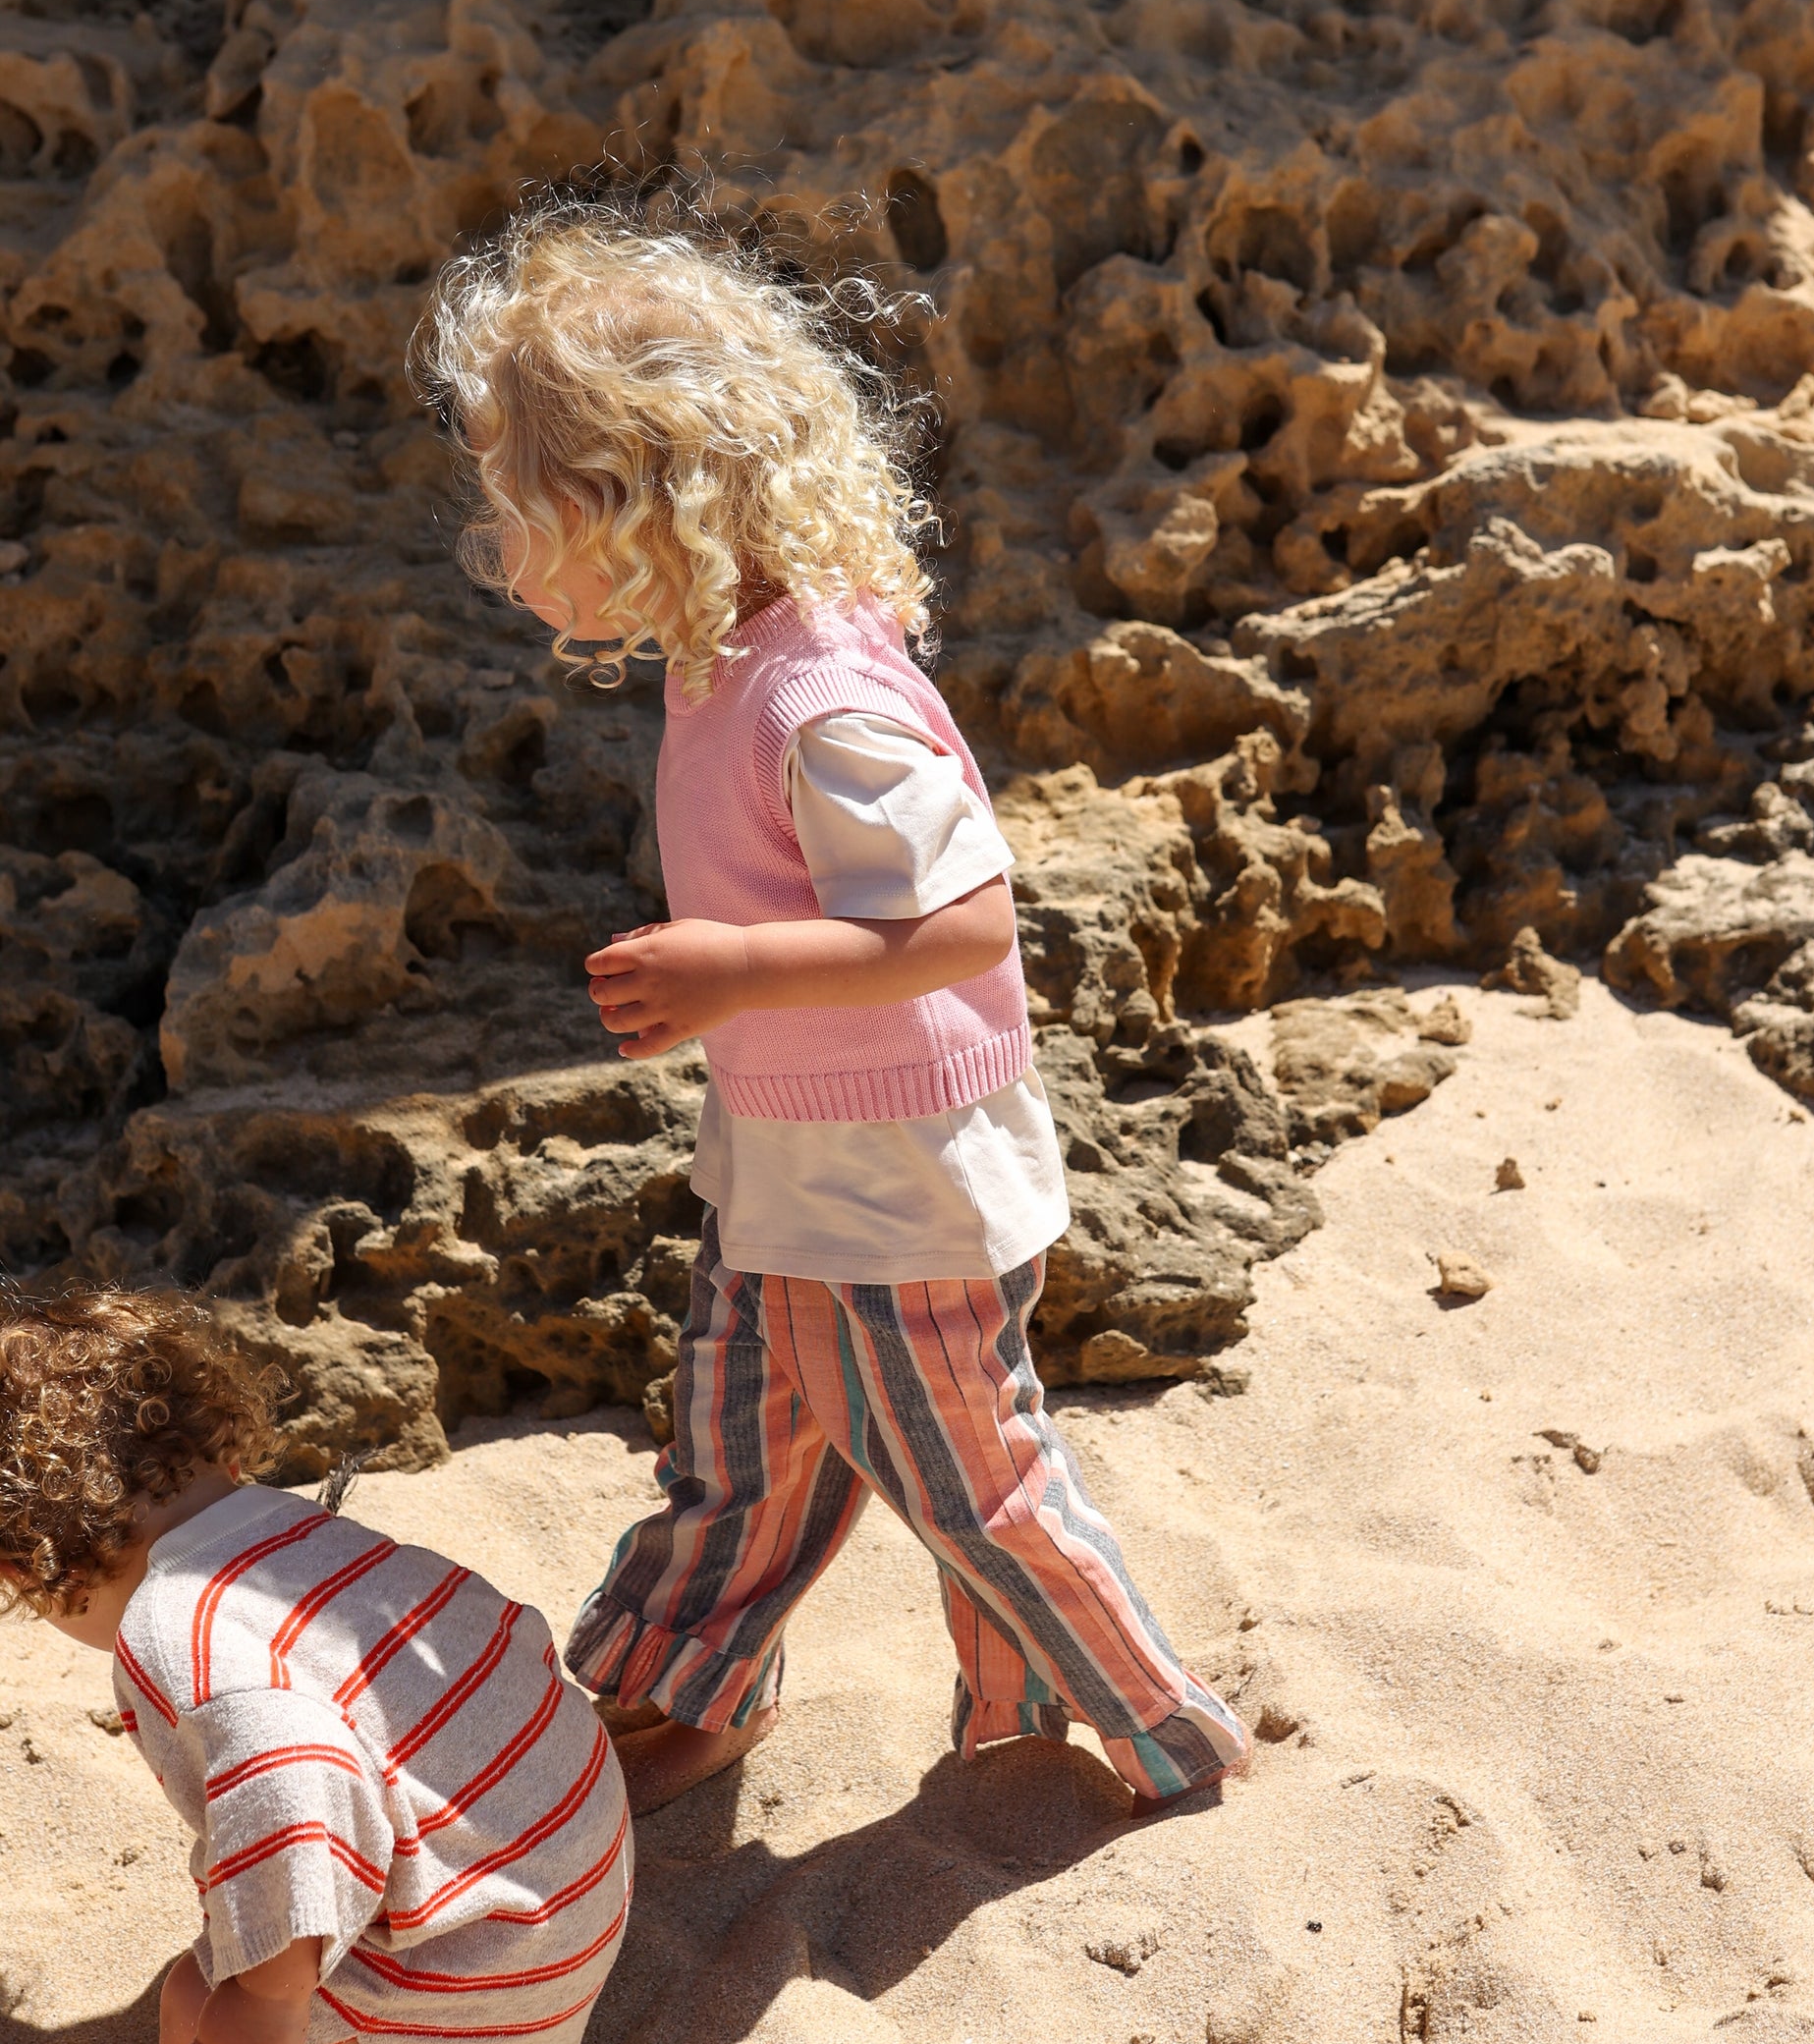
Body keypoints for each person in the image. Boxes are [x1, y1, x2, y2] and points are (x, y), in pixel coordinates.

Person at [415, 203, 1247, 1818]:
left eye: (514, 511)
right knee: (737, 1453)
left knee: (966, 1477)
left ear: (638, 501)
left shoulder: (828, 700)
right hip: (792, 1167)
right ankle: (687, 1690)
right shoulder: (721, 655)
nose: (496, 552)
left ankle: (1148, 1716)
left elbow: (963, 926)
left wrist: (734, 968)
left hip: (899, 1193)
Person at [0, 1284, 631, 2044]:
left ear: (32, 1563)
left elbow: (297, 1787)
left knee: (196, 2016)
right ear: (219, 1446)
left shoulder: (177, 1636)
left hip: (509, 1963)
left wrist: (267, 2000)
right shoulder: (295, 1534)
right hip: (572, 1869)